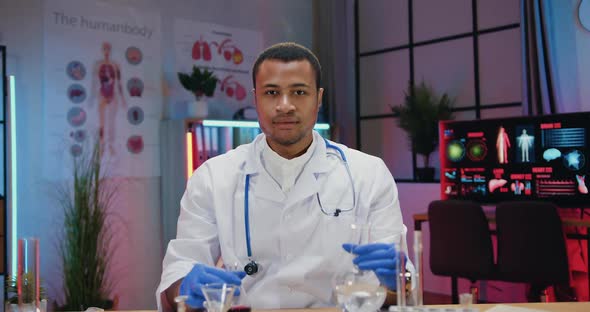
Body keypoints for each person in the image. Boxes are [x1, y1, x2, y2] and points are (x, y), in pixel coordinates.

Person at [157, 42, 408, 310]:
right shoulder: (213, 177)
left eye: (299, 92)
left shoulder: (368, 174)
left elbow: (399, 288)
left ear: (318, 98)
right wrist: (185, 285)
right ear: (256, 98)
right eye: (272, 92)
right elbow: (177, 274)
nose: (285, 105)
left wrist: (397, 280)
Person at [89, 41, 126, 157]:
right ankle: (101, 146)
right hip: (102, 94)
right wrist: (91, 97)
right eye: (104, 49)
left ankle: (111, 145)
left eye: (108, 49)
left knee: (112, 122)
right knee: (102, 123)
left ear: (110, 51)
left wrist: (123, 98)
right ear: (102, 50)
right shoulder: (97, 65)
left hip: (113, 95)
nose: (107, 51)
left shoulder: (115, 65)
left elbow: (119, 83)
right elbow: (94, 82)